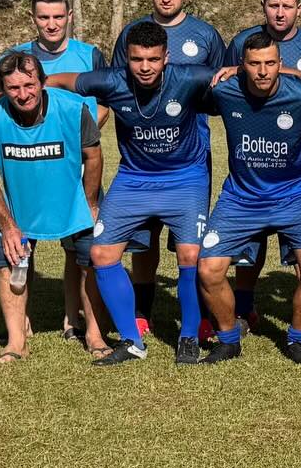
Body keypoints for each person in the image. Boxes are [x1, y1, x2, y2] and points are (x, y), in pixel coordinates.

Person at [47, 22, 217, 365]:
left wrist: (231, 70)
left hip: (185, 177)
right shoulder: (112, 80)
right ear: (127, 57)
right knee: (102, 255)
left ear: (166, 57)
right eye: (137, 59)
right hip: (134, 178)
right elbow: (57, 80)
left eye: (153, 59)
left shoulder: (189, 77)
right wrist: (29, 90)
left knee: (188, 254)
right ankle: (131, 340)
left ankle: (188, 336)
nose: (145, 67)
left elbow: (244, 75)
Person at [197, 32, 301, 364]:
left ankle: (297, 339)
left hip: (295, 197)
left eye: (270, 63)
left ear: (280, 65)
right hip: (241, 198)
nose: (262, 71)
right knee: (209, 270)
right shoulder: (225, 90)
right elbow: (179, 84)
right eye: (254, 64)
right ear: (242, 65)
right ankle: (228, 339)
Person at [112, 0, 225, 336]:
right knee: (143, 242)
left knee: (189, 245)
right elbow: (116, 89)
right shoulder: (132, 33)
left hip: (190, 160)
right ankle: (143, 313)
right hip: (141, 161)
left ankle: (198, 317)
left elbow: (222, 89)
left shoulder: (205, 36)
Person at [0, 53, 104, 362]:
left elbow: (93, 156)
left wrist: (90, 203)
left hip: (73, 199)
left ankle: (95, 336)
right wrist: (7, 226)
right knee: (9, 262)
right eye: (13, 88)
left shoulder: (74, 109)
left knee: (92, 261)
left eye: (29, 85)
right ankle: (16, 343)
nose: (23, 94)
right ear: (2, 90)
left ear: (42, 82)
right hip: (21, 207)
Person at [4, 0, 108, 346]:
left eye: (58, 17)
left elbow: (106, 104)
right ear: (33, 18)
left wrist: (81, 135)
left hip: (77, 168)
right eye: (44, 17)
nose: (51, 24)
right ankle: (22, 321)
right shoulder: (16, 57)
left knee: (80, 248)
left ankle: (72, 317)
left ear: (70, 17)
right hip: (29, 170)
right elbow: (1, 108)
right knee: (20, 248)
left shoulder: (89, 55)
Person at [225, 0, 301, 327]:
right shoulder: (243, 42)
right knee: (248, 244)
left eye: (287, 6)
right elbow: (230, 86)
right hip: (254, 160)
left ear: (299, 9)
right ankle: (243, 309)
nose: (280, 12)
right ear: (263, 6)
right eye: (274, 6)